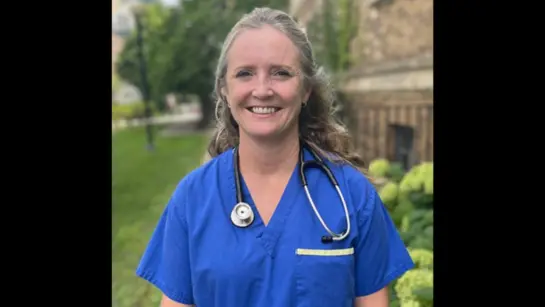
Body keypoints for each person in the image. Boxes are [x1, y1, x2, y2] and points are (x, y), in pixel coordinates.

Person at [136, 7, 414, 307]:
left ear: (306, 89)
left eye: (281, 73)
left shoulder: (352, 196)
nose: (263, 89)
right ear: (224, 90)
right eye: (245, 73)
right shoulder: (192, 198)